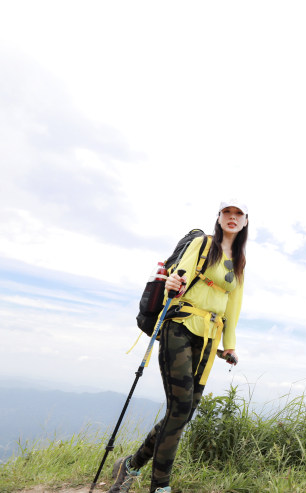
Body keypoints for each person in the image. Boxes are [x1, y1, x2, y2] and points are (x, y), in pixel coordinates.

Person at [108, 201, 249, 493]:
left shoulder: (239, 261)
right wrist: (174, 282)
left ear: (246, 221)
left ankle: (130, 466)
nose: (232, 218)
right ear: (219, 218)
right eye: (227, 213)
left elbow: (233, 308)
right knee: (181, 407)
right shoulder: (202, 243)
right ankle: (160, 487)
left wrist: (230, 346)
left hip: (210, 337)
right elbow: (180, 277)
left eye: (238, 215)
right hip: (180, 327)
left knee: (184, 410)